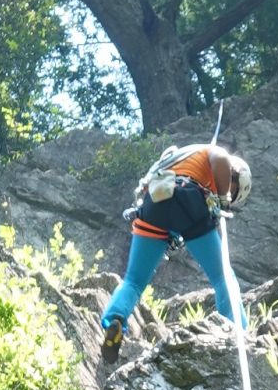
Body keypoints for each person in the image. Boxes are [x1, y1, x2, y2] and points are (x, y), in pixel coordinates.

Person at [99, 141, 252, 359]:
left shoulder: (175, 158)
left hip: (154, 204)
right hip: (187, 199)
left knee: (133, 281)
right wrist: (222, 199)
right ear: (236, 174)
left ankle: (115, 319)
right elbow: (221, 158)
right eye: (233, 190)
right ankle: (238, 332)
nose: (228, 193)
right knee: (223, 277)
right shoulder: (212, 154)